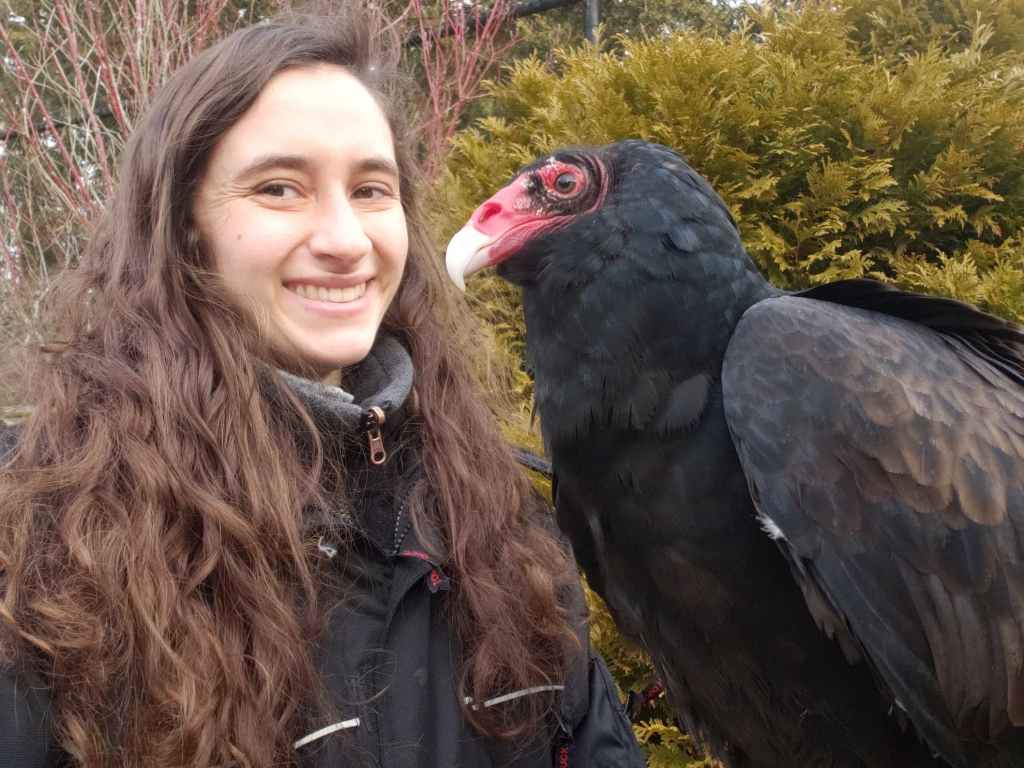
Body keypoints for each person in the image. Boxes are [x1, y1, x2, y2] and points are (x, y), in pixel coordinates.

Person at [0, 6, 644, 768]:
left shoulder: (498, 516)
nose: (344, 240)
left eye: (372, 190)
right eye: (279, 188)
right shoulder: (41, 537)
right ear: (180, 229)